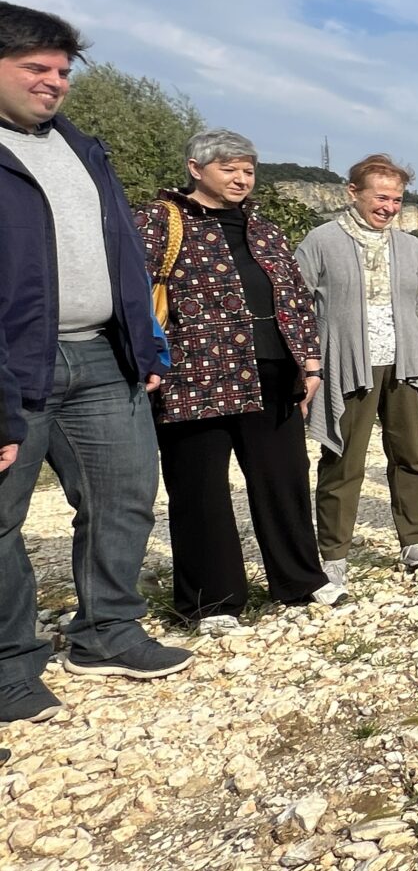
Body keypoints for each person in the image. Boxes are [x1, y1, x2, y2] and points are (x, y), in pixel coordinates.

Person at [0, 3, 192, 721]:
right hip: (15, 365)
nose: (54, 82)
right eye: (36, 68)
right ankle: (10, 665)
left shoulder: (82, 149)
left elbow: (127, 254)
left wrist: (144, 342)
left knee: (123, 496)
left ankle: (106, 631)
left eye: (62, 71)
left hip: (103, 355)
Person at [134, 129, 342, 634]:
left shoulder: (264, 228)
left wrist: (311, 364)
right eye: (228, 169)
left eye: (248, 170)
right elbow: (131, 292)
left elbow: (295, 298)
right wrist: (142, 361)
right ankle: (212, 601)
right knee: (200, 489)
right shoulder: (158, 221)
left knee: (283, 480)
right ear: (195, 168)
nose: (241, 179)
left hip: (272, 372)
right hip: (193, 377)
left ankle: (300, 579)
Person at [295, 154, 418, 589]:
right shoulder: (321, 241)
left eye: (397, 199)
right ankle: (334, 553)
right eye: (381, 197)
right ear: (353, 193)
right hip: (347, 363)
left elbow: (413, 304)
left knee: (411, 454)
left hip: (405, 363)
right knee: (343, 459)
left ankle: (414, 540)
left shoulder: (412, 248)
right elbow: (297, 305)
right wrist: (308, 362)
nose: (389, 207)